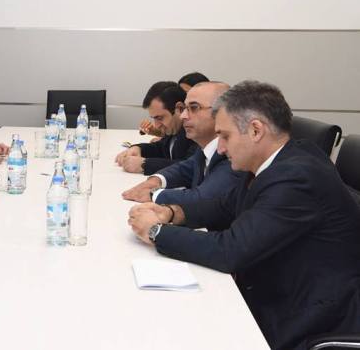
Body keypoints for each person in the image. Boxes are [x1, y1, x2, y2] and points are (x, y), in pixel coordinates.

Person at [127, 81, 360, 350]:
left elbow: (230, 250)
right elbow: (225, 205)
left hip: (307, 316)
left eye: (225, 136)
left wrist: (156, 231)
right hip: (272, 289)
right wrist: (171, 213)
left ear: (256, 130)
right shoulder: (273, 163)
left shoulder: (296, 177)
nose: (220, 149)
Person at [122, 82, 241, 205]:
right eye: (185, 109)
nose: (183, 116)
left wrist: (154, 194)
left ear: (222, 112)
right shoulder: (205, 148)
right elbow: (186, 168)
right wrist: (157, 180)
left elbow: (204, 199)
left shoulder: (231, 153)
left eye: (194, 108)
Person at [116, 83, 196, 175]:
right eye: (154, 118)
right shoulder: (175, 128)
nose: (156, 125)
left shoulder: (196, 133)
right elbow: (161, 148)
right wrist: (138, 148)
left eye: (160, 118)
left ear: (180, 109)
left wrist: (144, 165)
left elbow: (190, 166)